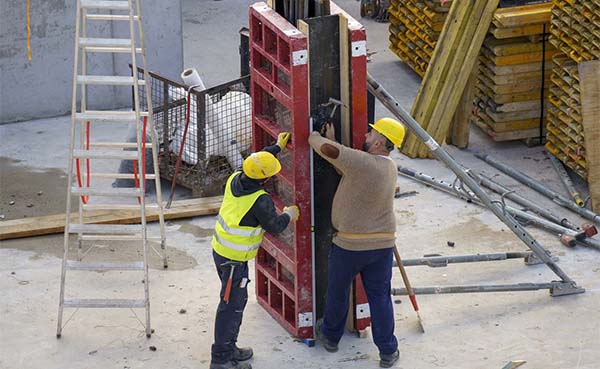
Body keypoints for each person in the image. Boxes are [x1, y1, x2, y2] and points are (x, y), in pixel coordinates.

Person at [308, 118, 406, 368]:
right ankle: (387, 351)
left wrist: (319, 136)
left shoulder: (363, 163)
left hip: (350, 246)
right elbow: (347, 167)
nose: (366, 134)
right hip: (382, 246)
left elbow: (326, 149)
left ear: (380, 142)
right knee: (380, 297)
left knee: (338, 290)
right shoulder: (389, 166)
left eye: (371, 133)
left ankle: (330, 336)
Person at [210, 132, 300, 369]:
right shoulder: (260, 201)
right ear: (264, 180)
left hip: (221, 253)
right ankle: (220, 360)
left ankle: (229, 348)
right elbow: (275, 227)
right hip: (233, 262)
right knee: (231, 307)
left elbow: (256, 162)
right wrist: (289, 215)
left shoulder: (236, 178)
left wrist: (276, 148)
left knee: (235, 303)